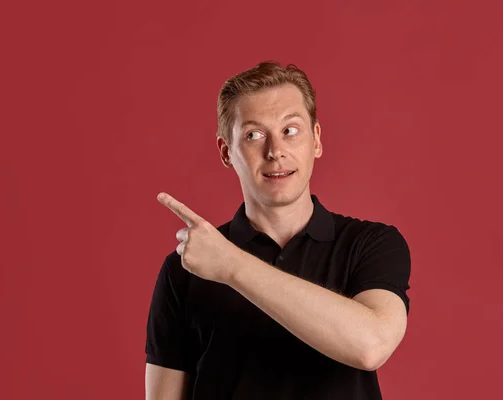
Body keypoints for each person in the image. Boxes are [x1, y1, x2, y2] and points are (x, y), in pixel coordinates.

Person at [144, 61, 411, 399]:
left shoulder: (371, 244)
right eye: (254, 135)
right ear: (227, 152)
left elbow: (371, 345)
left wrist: (230, 266)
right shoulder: (185, 268)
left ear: (316, 140)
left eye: (290, 130)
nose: (275, 152)